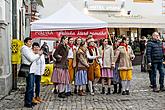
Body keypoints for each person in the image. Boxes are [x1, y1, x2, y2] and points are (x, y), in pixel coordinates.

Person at [21, 37, 42, 108]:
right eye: (29, 42)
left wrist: (37, 55)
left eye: (31, 42)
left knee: (31, 87)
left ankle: (30, 100)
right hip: (29, 70)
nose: (31, 43)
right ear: (26, 42)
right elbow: (31, 58)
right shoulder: (25, 49)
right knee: (29, 87)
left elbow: (34, 57)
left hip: (32, 70)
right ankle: (27, 102)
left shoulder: (29, 49)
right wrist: (38, 54)